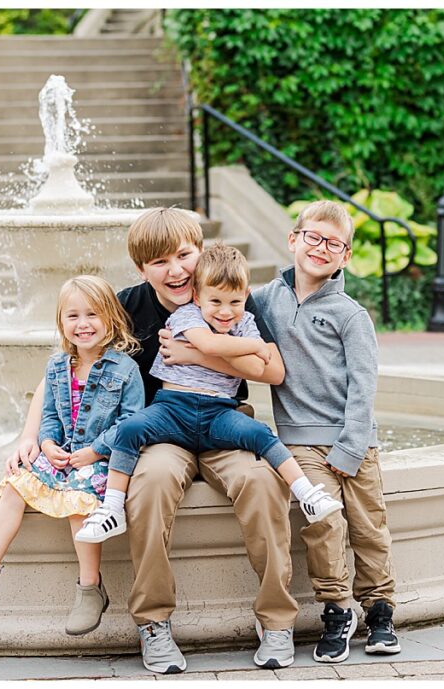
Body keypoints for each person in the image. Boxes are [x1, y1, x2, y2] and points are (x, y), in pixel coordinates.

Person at [111, 208, 300, 674]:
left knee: (262, 480)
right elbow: (71, 367)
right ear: (141, 269)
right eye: (159, 262)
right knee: (150, 484)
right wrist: (30, 435)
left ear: (199, 252)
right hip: (162, 428)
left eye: (183, 255)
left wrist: (201, 354)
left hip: (224, 423)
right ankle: (153, 622)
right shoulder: (126, 306)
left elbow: (273, 371)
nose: (175, 270)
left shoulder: (229, 293)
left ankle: (277, 620)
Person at [74, 243, 343, 545]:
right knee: (129, 429)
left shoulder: (245, 321)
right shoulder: (187, 315)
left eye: (235, 302)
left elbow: (264, 368)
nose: (226, 312)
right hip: (173, 408)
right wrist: (255, 347)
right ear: (197, 296)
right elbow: (213, 345)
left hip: (219, 411)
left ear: (245, 295)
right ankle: (112, 508)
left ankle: (308, 494)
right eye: (215, 301)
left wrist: (236, 350)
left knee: (262, 435)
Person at [0, 275, 144, 637]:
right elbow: (49, 414)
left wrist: (95, 451)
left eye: (93, 314)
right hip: (63, 452)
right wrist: (47, 444)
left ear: (111, 317)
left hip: (101, 459)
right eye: (73, 316)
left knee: (79, 502)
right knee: (15, 485)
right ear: (61, 322)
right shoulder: (56, 366)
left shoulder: (125, 369)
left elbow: (132, 423)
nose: (83, 324)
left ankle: (90, 588)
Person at [251, 199, 401, 662]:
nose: (320, 248)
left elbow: (364, 383)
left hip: (354, 438)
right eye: (312, 237)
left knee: (368, 527)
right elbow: (221, 307)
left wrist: (352, 445)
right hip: (299, 439)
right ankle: (337, 609)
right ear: (293, 239)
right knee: (323, 524)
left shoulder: (350, 314)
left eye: (333, 243)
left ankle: (378, 610)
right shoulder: (262, 301)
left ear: (346, 256)